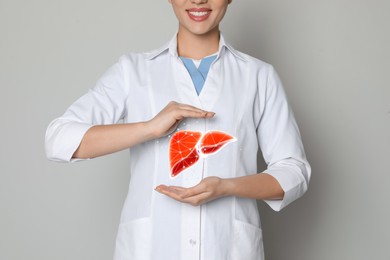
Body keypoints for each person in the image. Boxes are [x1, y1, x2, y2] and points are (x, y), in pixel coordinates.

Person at [45, 0, 311, 259]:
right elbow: (58, 140)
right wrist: (148, 128)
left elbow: (293, 171)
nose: (198, 0)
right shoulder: (133, 72)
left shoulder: (258, 76)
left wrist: (226, 186)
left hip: (226, 249)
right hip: (151, 251)